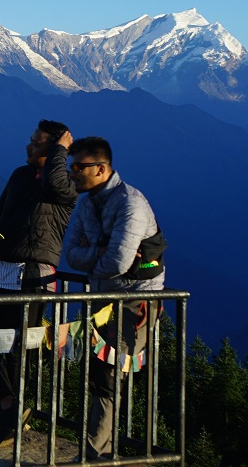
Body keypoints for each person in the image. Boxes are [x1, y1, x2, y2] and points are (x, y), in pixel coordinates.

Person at [0, 119, 76, 448]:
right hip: (2, 270)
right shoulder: (18, 175)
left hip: (34, 276)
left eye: (36, 143)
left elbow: (55, 183)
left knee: (14, 350)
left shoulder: (64, 185)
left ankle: (5, 419)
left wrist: (60, 149)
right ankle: (10, 407)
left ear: (54, 150)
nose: (28, 146)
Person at [61, 136, 166, 461]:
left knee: (109, 375)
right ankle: (99, 451)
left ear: (101, 168)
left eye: (79, 167)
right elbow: (70, 255)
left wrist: (95, 257)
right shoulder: (86, 203)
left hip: (134, 304)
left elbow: (116, 263)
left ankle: (96, 453)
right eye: (71, 166)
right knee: (100, 373)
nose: (73, 173)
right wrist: (101, 254)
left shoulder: (131, 204)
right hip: (104, 299)